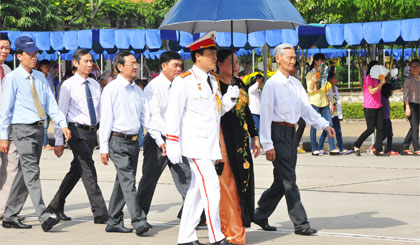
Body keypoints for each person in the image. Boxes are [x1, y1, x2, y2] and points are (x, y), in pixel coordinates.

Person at [165, 31, 239, 245]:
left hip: (209, 144)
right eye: (211, 54)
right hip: (194, 144)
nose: (215, 57)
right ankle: (217, 236)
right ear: (198, 56)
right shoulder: (184, 81)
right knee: (211, 187)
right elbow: (173, 114)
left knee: (197, 192)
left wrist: (229, 100)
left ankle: (186, 237)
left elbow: (215, 112)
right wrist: (172, 144)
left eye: (215, 53)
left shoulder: (212, 81)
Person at [253, 43, 335, 236]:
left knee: (282, 180)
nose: (292, 60)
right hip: (276, 133)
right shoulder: (272, 85)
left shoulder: (296, 84)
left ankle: (259, 213)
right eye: (288, 57)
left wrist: (324, 124)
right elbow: (265, 116)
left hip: (291, 133)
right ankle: (300, 223)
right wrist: (267, 144)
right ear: (278, 59)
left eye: (294, 57)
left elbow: (306, 110)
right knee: (289, 179)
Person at [0, 36, 71, 231]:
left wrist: (62, 124)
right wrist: (3, 137)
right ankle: (44, 216)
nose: (34, 57)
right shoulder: (12, 79)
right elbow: (5, 110)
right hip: (21, 129)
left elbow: (50, 104)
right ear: (19, 56)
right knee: (32, 171)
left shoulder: (39, 77)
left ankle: (10, 215)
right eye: (29, 54)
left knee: (25, 172)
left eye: (36, 53)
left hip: (39, 129)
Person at [47, 49, 109, 223]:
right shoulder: (68, 85)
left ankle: (55, 205)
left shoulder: (95, 84)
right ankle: (100, 212)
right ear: (76, 63)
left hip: (91, 133)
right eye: (86, 61)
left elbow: (100, 113)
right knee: (88, 170)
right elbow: (61, 113)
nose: (89, 64)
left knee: (77, 170)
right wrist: (59, 141)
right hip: (75, 132)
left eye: (91, 61)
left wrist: (103, 136)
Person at [99, 50, 151, 236]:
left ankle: (113, 220)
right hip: (117, 141)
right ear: (119, 67)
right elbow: (105, 120)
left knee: (122, 182)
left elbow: (146, 118)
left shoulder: (138, 90)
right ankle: (139, 220)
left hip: (134, 143)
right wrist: (103, 147)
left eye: (136, 63)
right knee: (129, 181)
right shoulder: (111, 90)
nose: (136, 66)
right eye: (132, 63)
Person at [136, 51, 192, 221]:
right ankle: (139, 216)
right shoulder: (153, 87)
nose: (179, 69)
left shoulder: (181, 84)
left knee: (186, 177)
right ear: (164, 66)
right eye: (175, 65)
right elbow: (152, 118)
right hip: (156, 140)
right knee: (149, 179)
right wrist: (163, 140)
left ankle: (191, 215)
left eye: (180, 66)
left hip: (176, 139)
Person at [216, 49, 261, 244]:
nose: (235, 65)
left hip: (241, 143)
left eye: (236, 61)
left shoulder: (239, 83)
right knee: (228, 186)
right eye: (230, 62)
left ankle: (238, 223)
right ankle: (230, 230)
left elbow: (247, 112)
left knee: (243, 183)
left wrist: (255, 135)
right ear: (219, 64)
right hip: (224, 141)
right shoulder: (214, 85)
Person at [0, 33, 21, 221]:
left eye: (7, 48)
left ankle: (5, 209)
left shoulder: (7, 70)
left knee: (11, 167)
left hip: (7, 127)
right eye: (1, 48)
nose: (5, 51)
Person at [306, 53, 340, 156]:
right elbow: (310, 90)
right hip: (314, 102)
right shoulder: (310, 74)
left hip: (324, 102)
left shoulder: (324, 74)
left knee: (329, 124)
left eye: (324, 61)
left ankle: (332, 148)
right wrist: (313, 81)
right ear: (316, 61)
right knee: (314, 126)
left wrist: (330, 103)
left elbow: (326, 91)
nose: (323, 62)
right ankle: (314, 149)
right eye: (321, 60)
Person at [353, 61, 387, 156]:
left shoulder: (376, 79)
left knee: (380, 129)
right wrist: (381, 85)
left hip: (378, 106)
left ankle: (378, 148)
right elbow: (371, 91)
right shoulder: (368, 78)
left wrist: (381, 83)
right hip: (369, 107)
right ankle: (357, 144)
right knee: (370, 129)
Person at [318, 71, 352, 155]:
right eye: (334, 78)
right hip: (329, 113)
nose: (336, 79)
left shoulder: (335, 88)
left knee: (338, 131)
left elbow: (338, 102)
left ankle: (342, 148)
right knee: (327, 131)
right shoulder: (326, 88)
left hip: (336, 113)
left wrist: (340, 114)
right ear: (329, 79)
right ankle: (320, 147)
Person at [371, 83, 399, 155]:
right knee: (385, 134)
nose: (392, 92)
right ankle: (375, 146)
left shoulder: (386, 98)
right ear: (387, 90)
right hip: (383, 119)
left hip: (387, 118)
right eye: (391, 90)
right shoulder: (381, 98)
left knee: (390, 134)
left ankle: (389, 149)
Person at [401, 59, 420, 156]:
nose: (414, 68)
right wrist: (407, 107)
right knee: (415, 127)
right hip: (410, 104)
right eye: (412, 67)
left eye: (416, 66)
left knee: (414, 127)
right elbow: (405, 95)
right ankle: (417, 148)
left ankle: (405, 146)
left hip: (418, 105)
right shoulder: (408, 79)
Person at [38, 60, 55, 151]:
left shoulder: (49, 77)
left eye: (48, 67)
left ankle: (44, 142)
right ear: (41, 67)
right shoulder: (38, 77)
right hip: (41, 103)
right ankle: (45, 143)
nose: (48, 68)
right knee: (44, 124)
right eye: (46, 67)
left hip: (49, 103)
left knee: (47, 123)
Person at [291, 62, 306, 154]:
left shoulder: (295, 78)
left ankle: (295, 145)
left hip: (297, 106)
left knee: (302, 124)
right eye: (296, 67)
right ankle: (293, 145)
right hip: (290, 107)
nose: (297, 69)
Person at [248, 74, 264, 150]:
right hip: (253, 112)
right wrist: (257, 82)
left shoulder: (259, 90)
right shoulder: (251, 89)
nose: (262, 83)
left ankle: (256, 146)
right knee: (256, 129)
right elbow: (253, 88)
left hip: (259, 113)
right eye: (261, 81)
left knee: (259, 130)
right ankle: (255, 147)